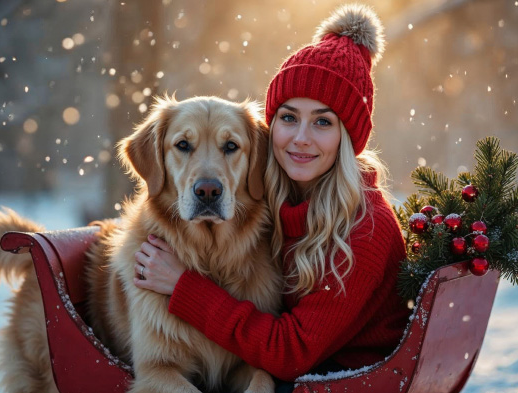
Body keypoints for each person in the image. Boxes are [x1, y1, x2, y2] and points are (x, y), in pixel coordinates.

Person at [133, 3, 410, 390]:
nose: (300, 138)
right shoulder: (281, 202)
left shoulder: (364, 230)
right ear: (271, 128)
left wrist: (185, 288)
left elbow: (290, 352)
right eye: (289, 117)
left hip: (350, 382)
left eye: (323, 122)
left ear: (348, 138)